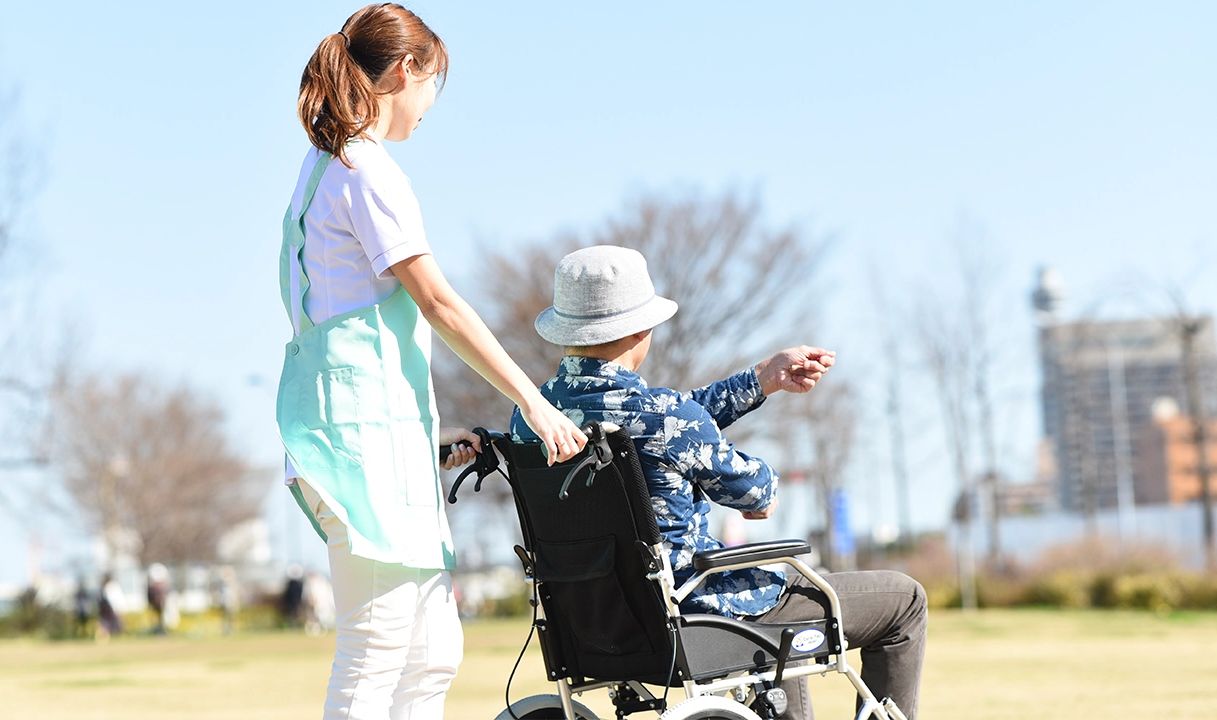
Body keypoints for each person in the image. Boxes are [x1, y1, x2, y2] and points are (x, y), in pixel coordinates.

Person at [276, 6, 587, 719]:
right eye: (432, 85)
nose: (429, 108)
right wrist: (534, 405)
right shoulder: (365, 168)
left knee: (432, 651)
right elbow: (440, 305)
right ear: (406, 71)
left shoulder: (324, 166)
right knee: (379, 643)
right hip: (357, 445)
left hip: (365, 436)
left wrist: (423, 444)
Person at [511, 246, 928, 720]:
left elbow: (679, 419)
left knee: (786, 607)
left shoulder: (530, 418)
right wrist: (764, 489)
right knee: (904, 601)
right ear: (641, 329)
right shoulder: (666, 416)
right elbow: (758, 492)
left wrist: (761, 379)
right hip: (696, 610)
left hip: (592, 623)